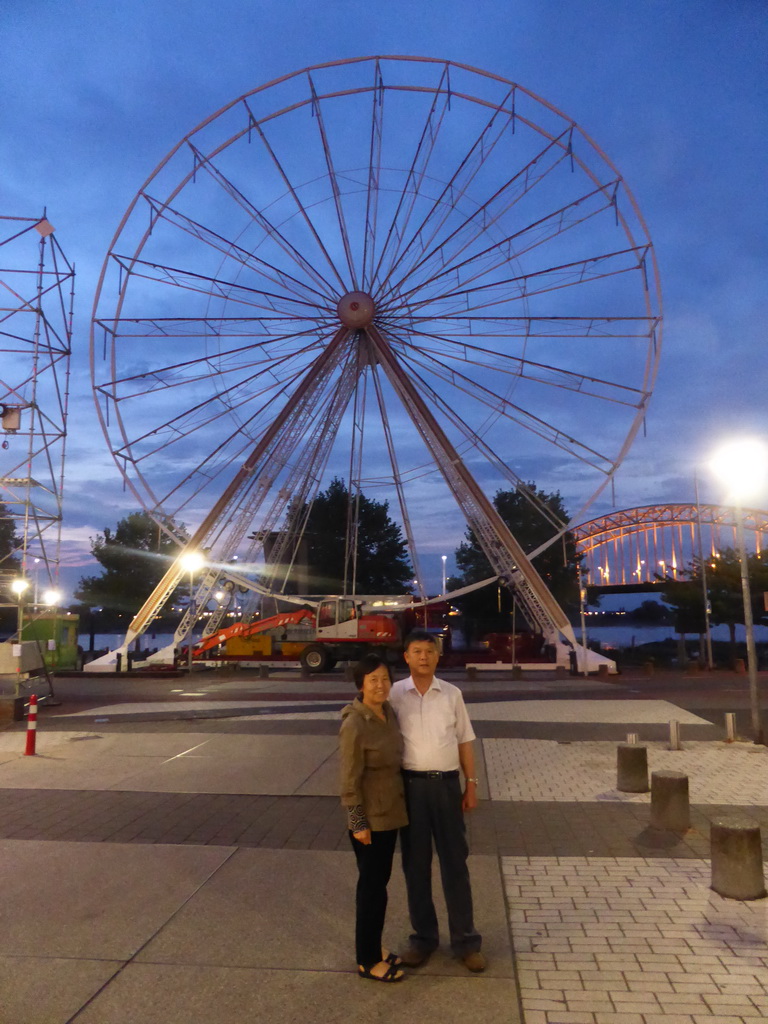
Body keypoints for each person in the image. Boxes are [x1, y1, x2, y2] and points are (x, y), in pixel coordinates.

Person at [389, 630, 485, 972]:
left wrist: (471, 785)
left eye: (429, 651)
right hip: (410, 788)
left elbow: (464, 741)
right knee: (415, 867)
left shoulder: (452, 694)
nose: (424, 657)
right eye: (417, 651)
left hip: (446, 786)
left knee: (455, 865)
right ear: (406, 656)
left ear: (437, 656)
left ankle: (465, 942)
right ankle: (423, 939)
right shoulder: (394, 694)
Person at [339, 653, 409, 983]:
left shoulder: (388, 713)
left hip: (391, 809)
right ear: (360, 685)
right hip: (371, 818)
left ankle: (374, 946)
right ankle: (367, 960)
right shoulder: (354, 723)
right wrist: (357, 822)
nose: (380, 685)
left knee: (378, 884)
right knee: (371, 889)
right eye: (373, 680)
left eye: (384, 679)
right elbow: (349, 778)